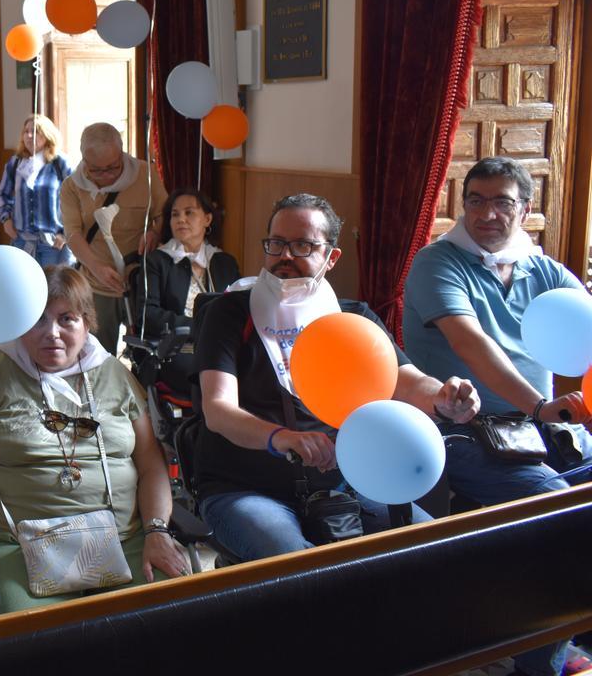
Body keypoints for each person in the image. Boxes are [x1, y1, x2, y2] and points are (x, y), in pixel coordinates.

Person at [192, 193, 480, 563]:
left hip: (347, 483)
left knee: (430, 550)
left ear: (332, 257)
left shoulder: (354, 318)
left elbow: (407, 381)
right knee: (304, 570)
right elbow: (217, 409)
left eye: (303, 245)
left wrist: (445, 395)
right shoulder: (229, 313)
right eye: (276, 243)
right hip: (245, 488)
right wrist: (282, 438)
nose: (285, 256)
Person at [403, 157, 592, 676]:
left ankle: (556, 632)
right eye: (476, 200)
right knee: (566, 513)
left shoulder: (544, 268)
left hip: (544, 428)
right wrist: (539, 406)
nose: (487, 213)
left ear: (525, 209)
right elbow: (474, 345)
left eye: (502, 201)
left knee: (570, 518)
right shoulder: (437, 262)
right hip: (462, 430)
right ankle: (539, 662)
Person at [0, 266, 191, 613]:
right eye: (37, 320)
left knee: (175, 619)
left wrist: (157, 530)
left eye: (66, 319)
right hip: (17, 545)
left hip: (124, 539)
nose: (51, 333)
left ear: (86, 324)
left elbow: (150, 465)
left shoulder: (115, 374)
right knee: (32, 645)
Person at [61, 122, 167, 356]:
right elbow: (73, 234)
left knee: (145, 356)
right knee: (96, 356)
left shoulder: (146, 175)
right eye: (96, 170)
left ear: (121, 154)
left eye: (113, 167)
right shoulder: (71, 187)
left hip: (142, 281)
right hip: (97, 282)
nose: (106, 176)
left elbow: (164, 214)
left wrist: (155, 232)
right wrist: (97, 268)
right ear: (84, 160)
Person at [137, 188, 241, 391]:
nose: (181, 219)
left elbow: (238, 309)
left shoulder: (224, 262)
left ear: (207, 219)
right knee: (206, 374)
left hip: (222, 345)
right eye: (175, 214)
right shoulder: (157, 261)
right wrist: (198, 327)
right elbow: (147, 315)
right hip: (177, 348)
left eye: (189, 212)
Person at [0, 115, 75, 267]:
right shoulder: (16, 162)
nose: (29, 135)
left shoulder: (60, 162)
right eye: (26, 131)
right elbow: (2, 194)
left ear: (47, 135)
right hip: (22, 241)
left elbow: (77, 199)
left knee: (51, 288)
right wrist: (6, 219)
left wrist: (65, 233)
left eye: (35, 131)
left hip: (53, 243)